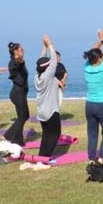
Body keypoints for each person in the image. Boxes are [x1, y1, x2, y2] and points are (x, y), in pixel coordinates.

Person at [84, 29, 103, 164]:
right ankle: (101, 158)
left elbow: (92, 53)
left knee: (92, 134)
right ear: (99, 58)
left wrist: (100, 40)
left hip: (90, 105)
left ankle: (91, 159)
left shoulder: (87, 68)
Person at [34, 35, 61, 166]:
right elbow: (54, 59)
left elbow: (41, 61)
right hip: (51, 111)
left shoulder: (37, 76)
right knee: (55, 135)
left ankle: (41, 156)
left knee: (46, 135)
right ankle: (46, 158)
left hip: (41, 112)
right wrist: (50, 44)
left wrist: (44, 47)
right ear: (47, 68)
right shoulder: (48, 76)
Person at [4, 42, 29, 146]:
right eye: (20, 49)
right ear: (15, 51)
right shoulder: (13, 62)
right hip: (17, 93)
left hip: (21, 93)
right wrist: (19, 58)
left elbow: (21, 63)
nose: (22, 49)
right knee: (22, 117)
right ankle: (16, 140)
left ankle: (9, 134)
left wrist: (21, 58)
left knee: (25, 116)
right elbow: (17, 63)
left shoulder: (19, 61)